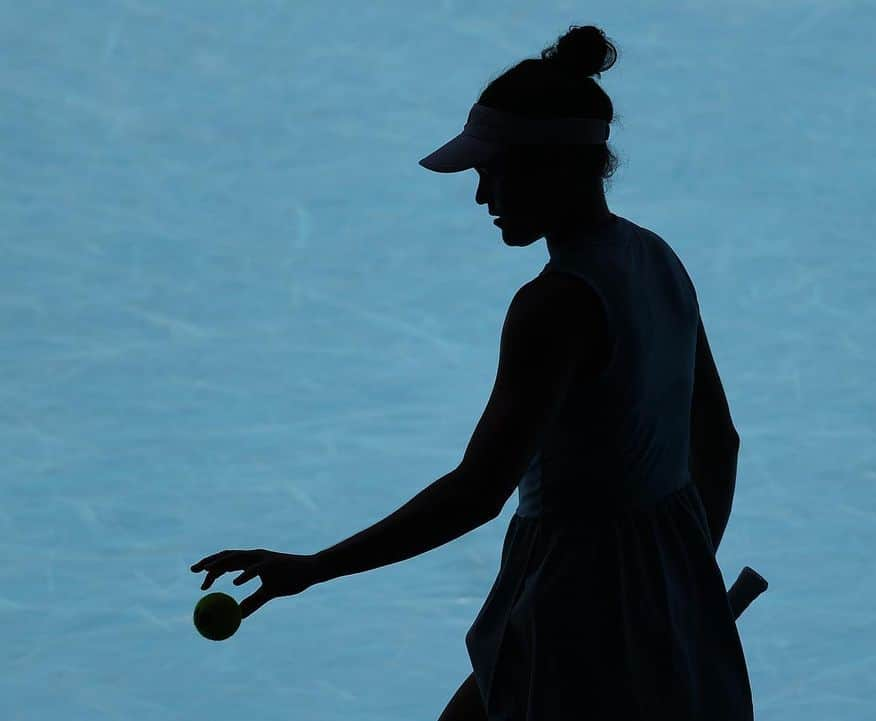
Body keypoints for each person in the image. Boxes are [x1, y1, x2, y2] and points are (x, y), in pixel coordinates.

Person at [191, 24, 751, 721]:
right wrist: (680, 581)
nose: (482, 193)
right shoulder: (657, 256)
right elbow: (718, 441)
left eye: (495, 169)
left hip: (576, 609)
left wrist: (313, 566)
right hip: (667, 587)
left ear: (550, 165)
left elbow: (477, 492)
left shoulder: (554, 304)